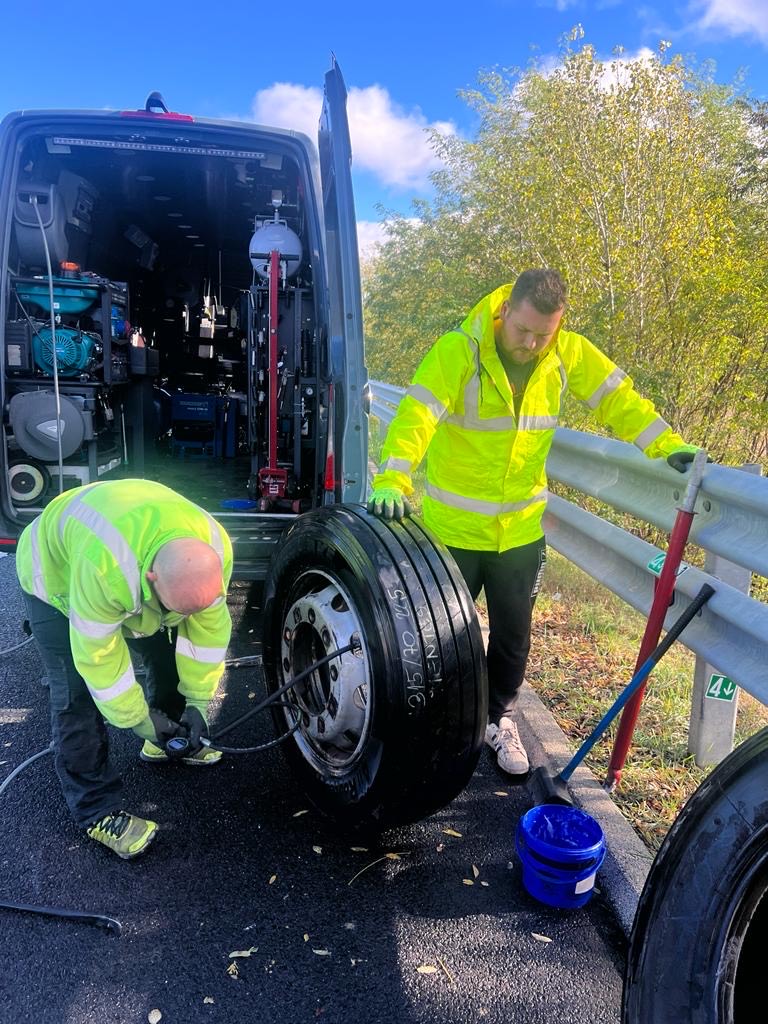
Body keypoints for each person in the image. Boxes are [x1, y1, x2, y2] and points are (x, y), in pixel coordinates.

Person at [368, 269, 699, 776]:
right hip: (453, 531)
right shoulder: (460, 350)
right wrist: (393, 478)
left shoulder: (566, 351)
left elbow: (618, 398)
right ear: (505, 312)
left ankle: (497, 719)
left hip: (520, 531)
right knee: (439, 636)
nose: (531, 344)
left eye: (544, 335)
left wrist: (666, 443)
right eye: (523, 331)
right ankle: (439, 722)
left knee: (512, 641)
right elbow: (417, 418)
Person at [16, 478, 233, 859]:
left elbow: (207, 632)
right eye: (176, 606)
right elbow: (99, 660)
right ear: (151, 579)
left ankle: (167, 739)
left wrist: (198, 702)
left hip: (125, 544)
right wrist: (139, 718)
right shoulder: (105, 569)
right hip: (56, 578)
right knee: (75, 694)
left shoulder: (214, 551)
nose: (183, 616)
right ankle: (97, 811)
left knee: (168, 646)